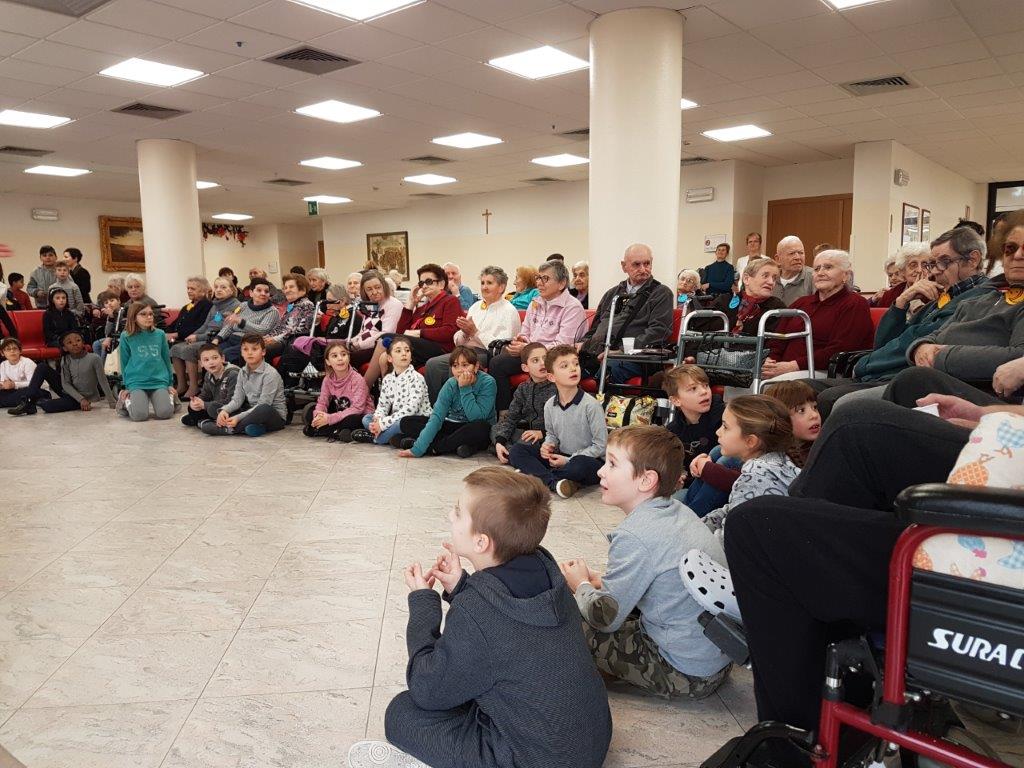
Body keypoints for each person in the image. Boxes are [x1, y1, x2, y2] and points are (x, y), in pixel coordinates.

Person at [351, 466, 611, 768]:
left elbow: (426, 689)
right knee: (477, 675)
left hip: (536, 759)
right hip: (590, 740)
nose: (450, 516)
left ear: (481, 543)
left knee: (402, 712)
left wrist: (423, 602)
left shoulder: (478, 610)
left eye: (458, 512)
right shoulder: (546, 567)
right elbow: (507, 633)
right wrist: (462, 587)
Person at [560, 425, 731, 699]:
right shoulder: (678, 510)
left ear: (646, 480)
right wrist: (601, 582)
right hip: (713, 659)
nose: (601, 472)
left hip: (684, 673)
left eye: (612, 464)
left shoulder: (635, 536)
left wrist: (580, 584)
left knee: (563, 621)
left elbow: (605, 619)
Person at [812, 227, 990, 418]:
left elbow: (914, 349)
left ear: (973, 260)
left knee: (833, 400)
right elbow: (882, 343)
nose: (934, 271)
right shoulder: (940, 298)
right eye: (933, 263)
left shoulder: (978, 300)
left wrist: (865, 365)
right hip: (877, 373)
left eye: (944, 262)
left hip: (901, 378)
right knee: (801, 388)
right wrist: (901, 301)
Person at [897, 216, 1024, 388]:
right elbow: (928, 336)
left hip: (981, 394)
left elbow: (1019, 358)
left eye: (944, 262)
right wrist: (919, 347)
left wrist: (940, 355)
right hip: (933, 380)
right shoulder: (979, 300)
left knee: (861, 402)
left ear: (973, 260)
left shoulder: (977, 293)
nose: (1017, 255)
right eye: (1010, 248)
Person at [508, 345, 605, 498]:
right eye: (564, 366)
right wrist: (547, 446)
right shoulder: (550, 405)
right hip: (560, 456)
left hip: (588, 461)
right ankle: (554, 481)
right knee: (517, 451)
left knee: (578, 466)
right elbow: (552, 435)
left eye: (576, 364)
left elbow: (600, 447)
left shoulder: (591, 405)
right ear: (551, 377)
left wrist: (567, 460)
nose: (573, 369)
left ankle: (537, 476)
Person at [762, 249, 874, 382]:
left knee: (770, 387)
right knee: (741, 384)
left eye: (828, 267)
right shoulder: (801, 303)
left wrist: (792, 366)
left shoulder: (855, 303)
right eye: (816, 269)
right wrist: (770, 361)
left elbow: (841, 349)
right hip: (783, 368)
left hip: (826, 371)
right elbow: (777, 340)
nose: (821, 273)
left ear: (846, 275)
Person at [488, 260, 585, 413]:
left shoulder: (572, 307)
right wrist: (519, 341)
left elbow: (563, 345)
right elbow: (525, 332)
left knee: (499, 363)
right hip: (531, 352)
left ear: (561, 283)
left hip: (554, 357)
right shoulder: (536, 302)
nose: (539, 283)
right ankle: (504, 414)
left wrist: (526, 349)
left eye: (545, 279)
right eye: (538, 278)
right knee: (495, 361)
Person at [702, 395, 800, 541]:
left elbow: (729, 540)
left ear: (750, 441)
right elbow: (729, 511)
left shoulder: (755, 477)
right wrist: (696, 526)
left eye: (725, 427)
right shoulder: (781, 462)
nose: (718, 432)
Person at [576, 243, 674, 384]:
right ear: (624, 266)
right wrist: (583, 344)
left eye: (647, 263)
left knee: (608, 368)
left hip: (635, 357)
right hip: (598, 352)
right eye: (636, 264)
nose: (643, 269)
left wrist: (622, 351)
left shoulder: (661, 293)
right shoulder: (612, 293)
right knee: (563, 364)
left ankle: (603, 405)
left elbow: (658, 331)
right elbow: (596, 327)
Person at [423, 266, 521, 401]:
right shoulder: (475, 307)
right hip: (465, 350)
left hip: (487, 354)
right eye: (482, 283)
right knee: (432, 364)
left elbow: (501, 348)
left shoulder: (509, 311)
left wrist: (475, 332)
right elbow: (458, 340)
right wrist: (463, 332)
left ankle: (458, 410)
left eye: (489, 283)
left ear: (501, 287)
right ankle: (437, 407)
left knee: (457, 364)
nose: (484, 287)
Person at [363, 263, 462, 389]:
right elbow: (400, 332)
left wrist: (419, 333)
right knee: (384, 358)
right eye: (421, 283)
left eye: (429, 281)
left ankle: (363, 391)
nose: (424, 286)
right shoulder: (422, 308)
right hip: (417, 349)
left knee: (385, 338)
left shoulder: (450, 301)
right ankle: (393, 401)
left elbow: (450, 331)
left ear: (441, 284)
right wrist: (410, 303)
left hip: (440, 349)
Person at [393, 346, 496, 458]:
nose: (460, 370)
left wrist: (465, 388)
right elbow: (437, 417)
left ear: (476, 366)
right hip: (453, 426)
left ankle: (435, 447)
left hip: (474, 426)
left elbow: (476, 417)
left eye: (465, 365)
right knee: (406, 422)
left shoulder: (488, 382)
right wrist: (418, 449)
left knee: (481, 428)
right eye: (455, 366)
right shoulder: (450, 384)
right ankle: (457, 446)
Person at [7, 330, 114, 416]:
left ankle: (40, 399)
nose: (75, 344)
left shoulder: (94, 358)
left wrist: (112, 402)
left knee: (47, 406)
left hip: (84, 397)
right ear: (64, 348)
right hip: (67, 391)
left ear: (83, 343)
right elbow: (65, 383)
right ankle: (27, 402)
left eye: (78, 340)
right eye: (70, 343)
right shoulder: (65, 359)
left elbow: (103, 381)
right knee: (42, 367)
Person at [202, 333, 287, 437]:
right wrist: (224, 411)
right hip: (249, 412)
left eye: (254, 349)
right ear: (241, 352)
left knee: (263, 408)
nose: (250, 353)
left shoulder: (270, 374)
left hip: (272, 416)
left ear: (263, 352)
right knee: (214, 407)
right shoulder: (242, 372)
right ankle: (249, 428)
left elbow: (264, 404)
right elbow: (237, 400)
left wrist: (237, 418)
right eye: (245, 349)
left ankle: (230, 429)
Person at [352, 335, 431, 445]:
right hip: (394, 419)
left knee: (400, 424)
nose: (404, 353)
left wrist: (383, 423)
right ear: (389, 358)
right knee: (367, 418)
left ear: (411, 356)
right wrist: (378, 419)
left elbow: (411, 410)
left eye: (407, 351)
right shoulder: (388, 379)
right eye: (398, 351)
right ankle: (388, 436)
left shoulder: (417, 378)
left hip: (414, 420)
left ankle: (376, 438)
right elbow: (383, 405)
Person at [169, 276, 241, 398]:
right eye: (216, 287)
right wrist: (194, 335)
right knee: (175, 348)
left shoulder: (236, 305)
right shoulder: (215, 305)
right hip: (205, 335)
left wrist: (198, 338)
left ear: (232, 290)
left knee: (188, 349)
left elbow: (224, 329)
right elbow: (205, 325)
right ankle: (182, 384)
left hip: (216, 338)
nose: (218, 290)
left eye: (223, 287)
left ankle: (194, 387)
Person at [688, 257, 784, 340]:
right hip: (714, 356)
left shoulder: (777, 308)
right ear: (746, 279)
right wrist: (691, 355)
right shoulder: (725, 300)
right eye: (765, 276)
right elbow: (699, 330)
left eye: (774, 278)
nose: (771, 282)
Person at [278, 282, 356, 380]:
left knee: (297, 347)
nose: (327, 306)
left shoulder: (352, 314)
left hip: (338, 347)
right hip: (327, 345)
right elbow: (326, 333)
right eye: (326, 302)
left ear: (343, 301)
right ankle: (287, 381)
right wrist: (317, 323)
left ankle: (285, 381)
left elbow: (345, 337)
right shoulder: (338, 314)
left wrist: (321, 340)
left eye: (330, 301)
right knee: (294, 344)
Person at [492, 342, 554, 464]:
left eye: (545, 359)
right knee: (496, 429)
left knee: (527, 442)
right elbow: (511, 418)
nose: (542, 363)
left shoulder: (558, 386)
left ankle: (512, 454)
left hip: (550, 437)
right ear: (525, 368)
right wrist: (499, 442)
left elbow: (565, 423)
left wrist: (542, 433)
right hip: (530, 435)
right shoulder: (523, 388)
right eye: (535, 360)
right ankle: (506, 451)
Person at [302, 342, 374, 441]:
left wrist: (329, 419)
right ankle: (336, 431)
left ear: (348, 357)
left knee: (353, 419)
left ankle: (324, 430)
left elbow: (357, 409)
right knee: (311, 411)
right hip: (339, 413)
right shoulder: (328, 379)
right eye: (334, 356)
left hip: (359, 414)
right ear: (328, 362)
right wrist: (318, 416)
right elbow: (322, 402)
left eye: (344, 354)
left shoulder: (357, 379)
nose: (340, 358)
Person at [118, 302, 175, 422]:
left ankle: (172, 398)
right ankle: (125, 401)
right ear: (133, 317)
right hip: (137, 381)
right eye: (143, 314)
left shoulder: (160, 334)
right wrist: (126, 385)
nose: (149, 317)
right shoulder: (126, 336)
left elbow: (166, 359)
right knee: (139, 416)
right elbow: (124, 362)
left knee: (165, 413)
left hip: (158, 380)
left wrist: (169, 384)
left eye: (150, 314)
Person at [663, 364, 725, 473]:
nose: (704, 392)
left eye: (706, 385)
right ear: (676, 400)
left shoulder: (726, 419)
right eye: (693, 388)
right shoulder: (672, 432)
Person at [348, 269, 403, 369]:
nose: (374, 292)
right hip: (364, 346)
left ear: (384, 286)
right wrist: (350, 342)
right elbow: (364, 331)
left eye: (377, 287)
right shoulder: (371, 305)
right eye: (369, 289)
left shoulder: (394, 304)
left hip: (381, 347)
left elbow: (386, 334)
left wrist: (359, 345)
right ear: (364, 291)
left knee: (344, 358)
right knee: (336, 351)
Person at [215, 278, 279, 364]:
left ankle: (231, 377)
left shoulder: (272, 311)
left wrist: (241, 321)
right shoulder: (243, 305)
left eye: (266, 291)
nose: (263, 294)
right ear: (251, 293)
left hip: (249, 342)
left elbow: (262, 330)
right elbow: (230, 325)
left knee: (226, 354)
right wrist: (217, 338)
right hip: (232, 338)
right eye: (259, 290)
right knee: (213, 352)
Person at [763, 379, 821, 467]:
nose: (814, 415)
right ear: (780, 419)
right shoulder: (770, 463)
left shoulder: (824, 450)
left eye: (815, 407)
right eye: (801, 410)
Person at [181, 343, 239, 428]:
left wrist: (204, 405)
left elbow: (232, 402)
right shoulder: (208, 375)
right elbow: (205, 395)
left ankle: (203, 421)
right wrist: (197, 401)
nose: (211, 362)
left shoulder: (233, 374)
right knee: (191, 407)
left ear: (222, 358)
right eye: (206, 360)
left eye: (215, 358)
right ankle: (203, 419)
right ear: (201, 363)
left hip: (234, 409)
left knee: (212, 407)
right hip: (217, 406)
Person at [264, 273, 314, 362]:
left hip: (290, 342)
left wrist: (274, 339)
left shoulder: (306, 305)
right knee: (251, 345)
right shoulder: (292, 305)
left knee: (259, 351)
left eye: (291, 287)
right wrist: (267, 337)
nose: (287, 290)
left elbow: (296, 331)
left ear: (302, 290)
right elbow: (280, 327)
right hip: (282, 340)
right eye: (285, 288)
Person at [870, 241, 929, 310]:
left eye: (924, 265)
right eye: (913, 265)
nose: (919, 270)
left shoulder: (937, 293)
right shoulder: (889, 296)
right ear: (902, 271)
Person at [164, 276, 213, 345]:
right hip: (177, 339)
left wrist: (176, 334)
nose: (189, 291)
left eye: (192, 289)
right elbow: (175, 324)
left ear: (203, 291)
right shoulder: (186, 307)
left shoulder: (207, 305)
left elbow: (200, 327)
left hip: (191, 340)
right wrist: (163, 333)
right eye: (188, 288)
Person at [771, 235, 814, 305]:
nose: (797, 257)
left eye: (801, 253)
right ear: (778, 259)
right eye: (792, 253)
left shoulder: (814, 277)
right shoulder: (770, 278)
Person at [0, 337, 36, 408]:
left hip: (34, 389)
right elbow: (4, 382)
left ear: (20, 351)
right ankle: (9, 401)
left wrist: (14, 385)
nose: (12, 351)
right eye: (8, 349)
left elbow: (33, 383)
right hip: (16, 390)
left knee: (21, 394)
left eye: (15, 348)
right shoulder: (3, 364)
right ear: (2, 353)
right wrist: (2, 385)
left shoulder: (27, 362)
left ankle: (6, 402)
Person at [92, 291, 124, 360]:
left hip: (120, 337)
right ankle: (100, 365)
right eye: (106, 303)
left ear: (119, 301)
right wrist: (111, 317)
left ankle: (104, 367)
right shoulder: (111, 314)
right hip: (112, 336)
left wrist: (109, 338)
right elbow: (107, 332)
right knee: (96, 344)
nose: (109, 303)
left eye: (112, 300)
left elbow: (118, 329)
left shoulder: (123, 312)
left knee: (105, 344)